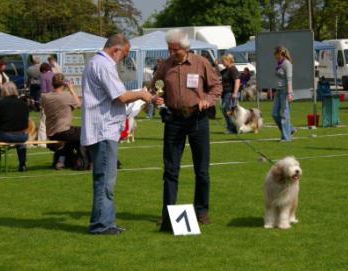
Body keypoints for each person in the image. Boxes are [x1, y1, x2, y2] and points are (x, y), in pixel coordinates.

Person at [81, 33, 154, 235]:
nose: (124, 58)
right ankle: (102, 225)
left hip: (100, 128)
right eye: (125, 54)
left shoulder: (95, 62)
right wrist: (141, 94)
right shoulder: (104, 65)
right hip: (103, 130)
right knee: (106, 180)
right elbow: (120, 96)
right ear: (116, 50)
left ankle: (105, 222)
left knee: (102, 179)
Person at [151, 29, 222, 232]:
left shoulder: (201, 63)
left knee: (202, 169)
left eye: (175, 50)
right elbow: (154, 88)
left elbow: (216, 87)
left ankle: (201, 211)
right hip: (174, 120)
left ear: (185, 48)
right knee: (170, 170)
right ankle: (168, 214)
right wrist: (157, 99)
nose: (171, 53)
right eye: (169, 49)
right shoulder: (165, 66)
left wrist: (207, 101)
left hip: (198, 119)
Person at [41, 73, 88, 170]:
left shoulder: (45, 97)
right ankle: (83, 161)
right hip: (63, 130)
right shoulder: (66, 96)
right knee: (85, 133)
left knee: (72, 138)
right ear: (64, 84)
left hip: (51, 132)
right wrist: (71, 89)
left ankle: (61, 160)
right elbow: (78, 104)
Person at [272, 46, 295, 141]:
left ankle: (286, 137)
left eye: (277, 55)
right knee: (274, 114)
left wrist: (289, 93)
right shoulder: (278, 63)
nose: (275, 57)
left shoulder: (287, 64)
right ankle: (290, 129)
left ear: (281, 54)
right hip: (278, 91)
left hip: (285, 92)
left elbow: (289, 80)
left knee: (285, 115)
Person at [220, 53, 240, 134]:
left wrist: (235, 93)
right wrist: (215, 64)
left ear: (229, 60)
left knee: (227, 109)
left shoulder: (233, 69)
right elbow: (218, 73)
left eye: (223, 61)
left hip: (230, 93)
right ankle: (231, 127)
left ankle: (232, 128)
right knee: (225, 109)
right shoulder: (226, 69)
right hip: (225, 93)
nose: (222, 62)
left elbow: (237, 81)